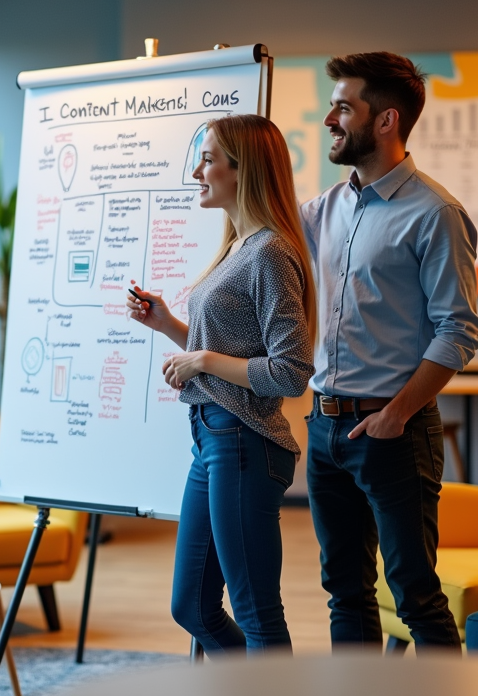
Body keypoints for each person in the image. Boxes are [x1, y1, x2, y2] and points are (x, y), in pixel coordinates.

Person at [300, 51, 478, 652]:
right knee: (345, 592)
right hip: (325, 430)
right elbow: (256, 236)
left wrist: (395, 414)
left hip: (393, 431)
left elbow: (457, 331)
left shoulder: (436, 214)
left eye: (343, 106)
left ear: (386, 120)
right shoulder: (325, 210)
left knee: (414, 593)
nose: (330, 118)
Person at [126, 114, 315, 654]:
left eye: (207, 159)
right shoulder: (239, 246)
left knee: (256, 611)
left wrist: (202, 359)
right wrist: (170, 327)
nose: (196, 171)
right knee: (191, 607)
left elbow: (289, 372)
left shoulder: (270, 252)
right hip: (214, 440)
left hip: (244, 443)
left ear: (243, 170)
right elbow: (233, 352)